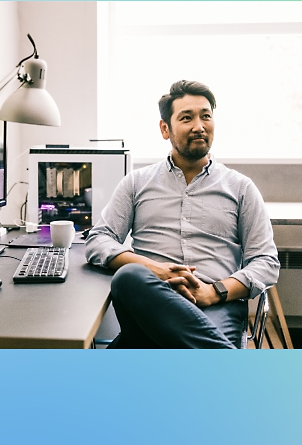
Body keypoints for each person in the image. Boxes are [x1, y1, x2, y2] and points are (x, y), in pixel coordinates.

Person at [85, 80, 280, 348]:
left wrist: (214, 292)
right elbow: (98, 240)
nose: (199, 126)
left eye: (206, 116)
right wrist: (154, 270)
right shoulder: (136, 183)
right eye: (186, 118)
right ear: (165, 129)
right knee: (129, 278)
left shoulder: (241, 188)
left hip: (216, 306)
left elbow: (266, 262)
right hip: (151, 300)